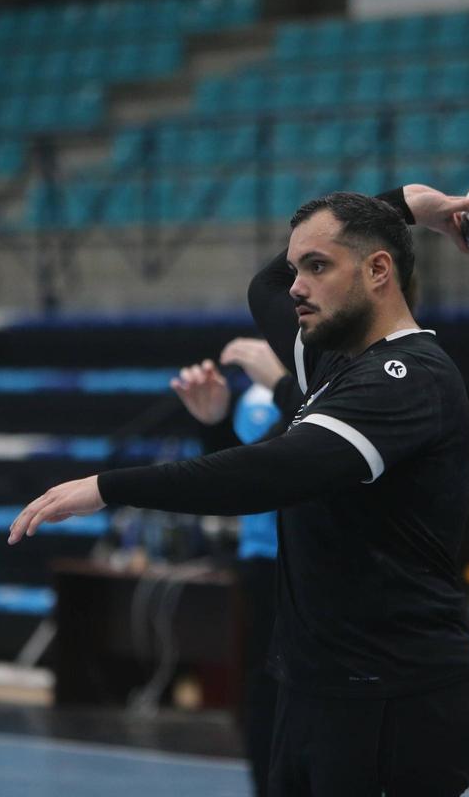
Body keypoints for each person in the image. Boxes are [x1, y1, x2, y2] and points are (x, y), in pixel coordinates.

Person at [9, 184, 469, 795]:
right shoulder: (334, 361)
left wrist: (109, 486)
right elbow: (263, 287)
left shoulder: (410, 378)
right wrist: (405, 204)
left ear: (377, 271)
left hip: (396, 698)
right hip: (318, 689)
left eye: (317, 267)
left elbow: (271, 471)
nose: (295, 285)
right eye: (297, 267)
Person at [171, 337, 296, 797]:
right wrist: (216, 423)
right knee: (265, 686)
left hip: (319, 562)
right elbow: (241, 472)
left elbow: (289, 457)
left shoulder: (326, 384)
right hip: (265, 561)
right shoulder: (259, 397)